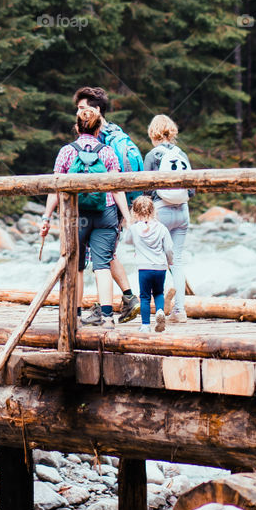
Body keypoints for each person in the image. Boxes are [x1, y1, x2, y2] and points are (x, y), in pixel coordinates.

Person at [40, 100, 132, 327]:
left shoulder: (66, 152)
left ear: (78, 127)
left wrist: (46, 217)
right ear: (99, 128)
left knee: (77, 266)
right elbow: (117, 189)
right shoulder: (108, 153)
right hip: (106, 213)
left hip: (75, 216)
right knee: (102, 265)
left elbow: (55, 188)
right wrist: (127, 218)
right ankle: (108, 317)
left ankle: (77, 315)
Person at [73, 86, 142, 323]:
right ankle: (122, 299)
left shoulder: (103, 139)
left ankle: (123, 300)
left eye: (82, 108)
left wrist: (125, 213)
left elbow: (115, 178)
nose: (79, 112)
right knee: (104, 257)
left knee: (102, 258)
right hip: (115, 206)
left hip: (106, 207)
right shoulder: (116, 134)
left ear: (96, 110)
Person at [144, 114, 192, 324]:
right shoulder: (181, 153)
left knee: (155, 260)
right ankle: (180, 311)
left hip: (160, 210)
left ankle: (160, 310)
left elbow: (145, 188)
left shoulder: (152, 155)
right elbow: (191, 188)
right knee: (177, 262)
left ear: (153, 133)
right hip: (182, 211)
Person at [125, 195, 173, 332]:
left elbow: (127, 241)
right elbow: (169, 248)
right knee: (158, 293)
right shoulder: (162, 228)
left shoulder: (134, 229)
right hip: (160, 268)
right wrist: (170, 261)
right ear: (153, 211)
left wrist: (130, 228)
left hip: (144, 268)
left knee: (145, 296)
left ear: (134, 212)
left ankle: (145, 325)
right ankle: (159, 311)